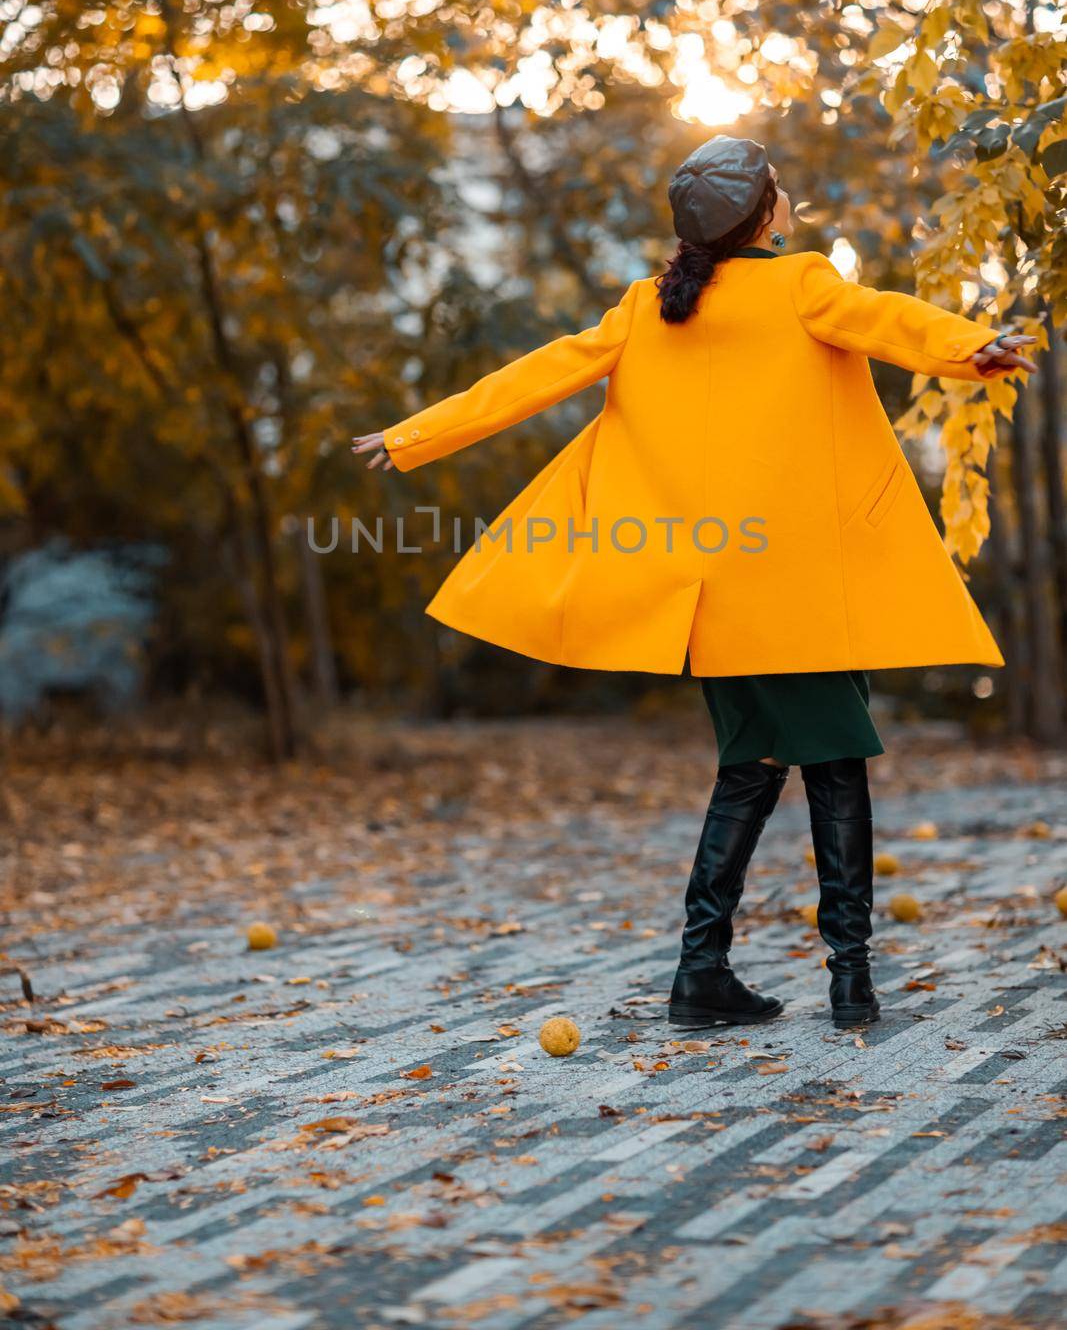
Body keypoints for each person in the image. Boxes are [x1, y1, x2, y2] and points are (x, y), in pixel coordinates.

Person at [353, 134, 1036, 1031]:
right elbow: (889, 319)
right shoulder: (802, 284)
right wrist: (971, 348)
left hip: (710, 593)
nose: (786, 202)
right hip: (793, 589)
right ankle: (849, 980)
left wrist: (415, 435)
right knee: (833, 766)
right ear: (763, 214)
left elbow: (535, 374)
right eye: (778, 191)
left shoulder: (649, 306)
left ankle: (700, 975)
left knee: (749, 772)